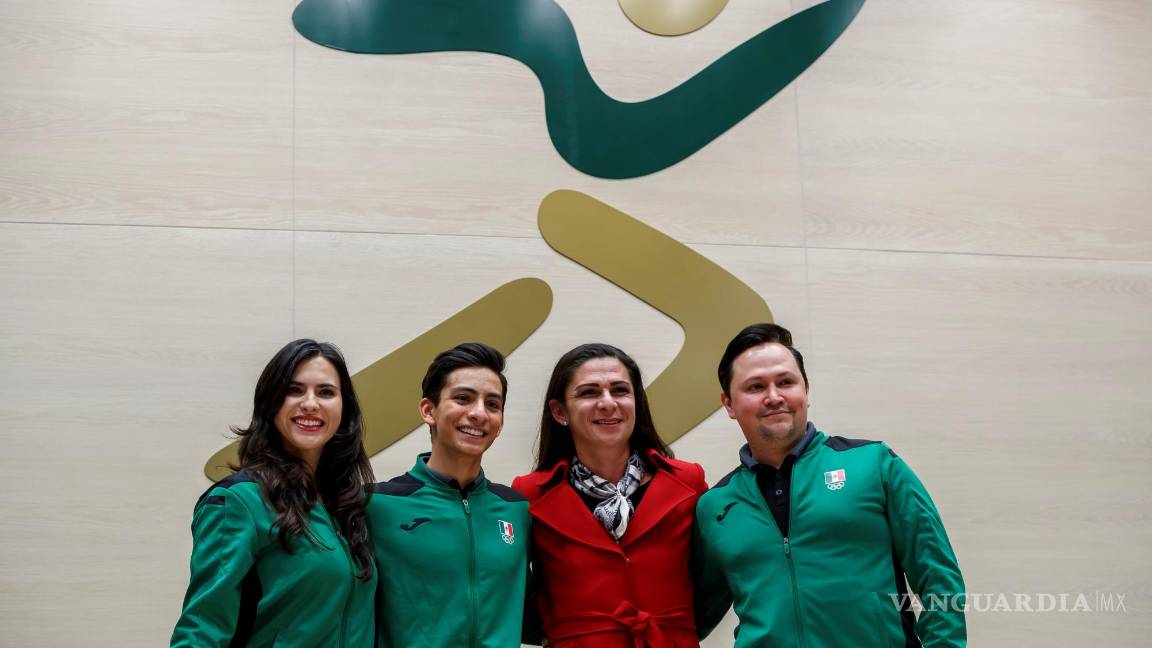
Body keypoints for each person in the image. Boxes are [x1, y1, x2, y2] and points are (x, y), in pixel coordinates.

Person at [694, 323, 966, 647]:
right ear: (728, 403)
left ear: (805, 389)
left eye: (786, 382)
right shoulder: (715, 506)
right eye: (755, 387)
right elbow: (689, 618)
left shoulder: (874, 464)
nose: (774, 397)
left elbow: (939, 580)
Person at [171, 339, 377, 647]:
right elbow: (203, 628)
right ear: (270, 402)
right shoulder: (238, 502)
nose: (310, 403)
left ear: (343, 407)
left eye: (325, 392)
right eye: (294, 390)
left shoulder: (346, 506)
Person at [513, 343, 708, 647]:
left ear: (636, 402)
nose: (607, 403)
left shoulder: (687, 482)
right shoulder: (530, 494)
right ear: (559, 411)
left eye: (620, 390)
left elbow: (714, 581)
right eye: (589, 393)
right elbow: (511, 590)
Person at [367, 342, 530, 647]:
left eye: (492, 404)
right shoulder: (377, 505)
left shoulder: (516, 509)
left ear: (501, 423)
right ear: (429, 410)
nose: (479, 413)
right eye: (463, 399)